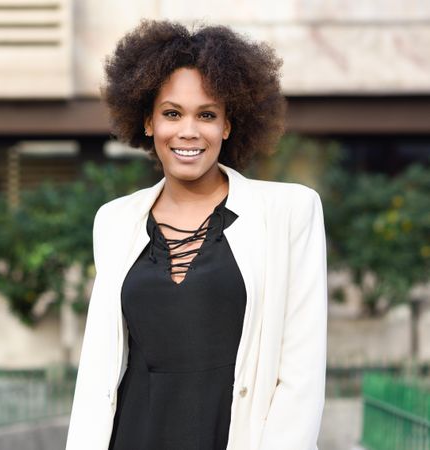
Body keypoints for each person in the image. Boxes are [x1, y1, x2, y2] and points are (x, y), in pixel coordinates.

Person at [66, 20, 327, 450]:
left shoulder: (289, 212)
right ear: (148, 122)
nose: (189, 131)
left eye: (206, 114)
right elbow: (98, 367)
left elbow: (300, 370)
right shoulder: (114, 220)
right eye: (172, 113)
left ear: (227, 125)